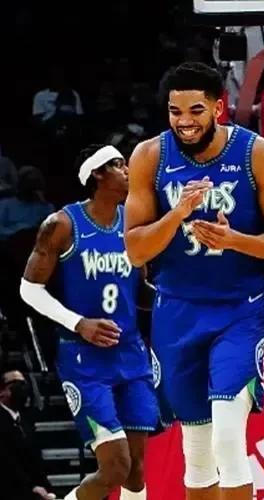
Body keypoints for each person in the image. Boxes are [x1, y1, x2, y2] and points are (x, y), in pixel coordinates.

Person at [124, 62, 264, 500]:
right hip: (177, 309)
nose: (184, 122)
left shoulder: (257, 154)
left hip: (240, 308)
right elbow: (136, 251)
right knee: (197, 451)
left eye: (196, 110)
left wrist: (235, 239)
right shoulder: (149, 156)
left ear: (219, 108)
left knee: (227, 436)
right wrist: (177, 214)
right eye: (175, 112)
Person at [18, 144, 158, 500]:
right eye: (118, 165)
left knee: (136, 472)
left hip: (131, 353)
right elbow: (28, 289)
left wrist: (175, 296)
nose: (128, 171)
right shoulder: (62, 224)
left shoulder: (134, 222)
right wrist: (79, 323)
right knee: (115, 467)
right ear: (97, 173)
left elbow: (139, 289)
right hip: (85, 359)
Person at [0, 370, 55, 500]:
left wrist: (46, 488)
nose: (22, 389)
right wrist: (31, 487)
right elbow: (6, 461)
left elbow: (34, 458)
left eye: (23, 384)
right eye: (16, 384)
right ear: (2, 391)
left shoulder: (26, 419)